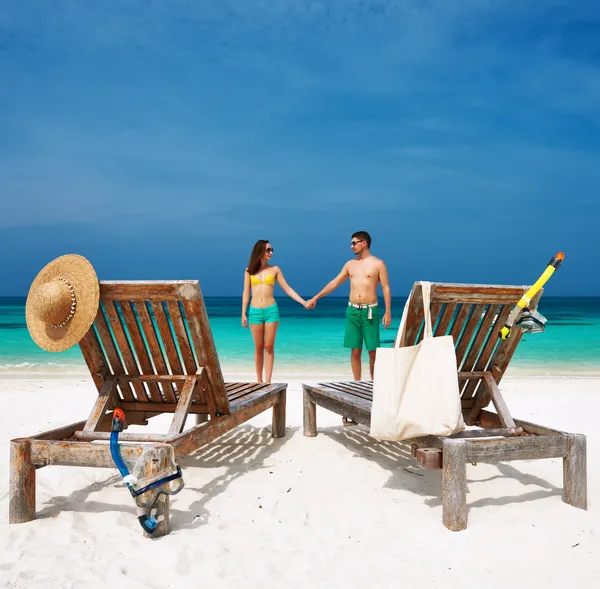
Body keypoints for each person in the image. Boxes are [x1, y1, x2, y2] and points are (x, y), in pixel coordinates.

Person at [307, 231, 391, 381]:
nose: (351, 246)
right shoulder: (350, 264)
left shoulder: (378, 264)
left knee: (373, 351)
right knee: (355, 351)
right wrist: (316, 297)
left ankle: (375, 385)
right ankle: (356, 384)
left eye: (354, 243)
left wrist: (388, 312)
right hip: (352, 311)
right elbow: (335, 282)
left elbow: (385, 287)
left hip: (370, 311)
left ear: (364, 243)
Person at [242, 239, 308, 383]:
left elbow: (288, 289)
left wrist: (303, 302)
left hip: (271, 311)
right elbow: (246, 293)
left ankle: (268, 381)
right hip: (255, 312)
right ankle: (259, 382)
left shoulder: (275, 270)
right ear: (260, 251)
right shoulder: (249, 271)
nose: (271, 253)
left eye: (272, 250)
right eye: (268, 250)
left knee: (269, 346)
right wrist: (243, 313)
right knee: (258, 347)